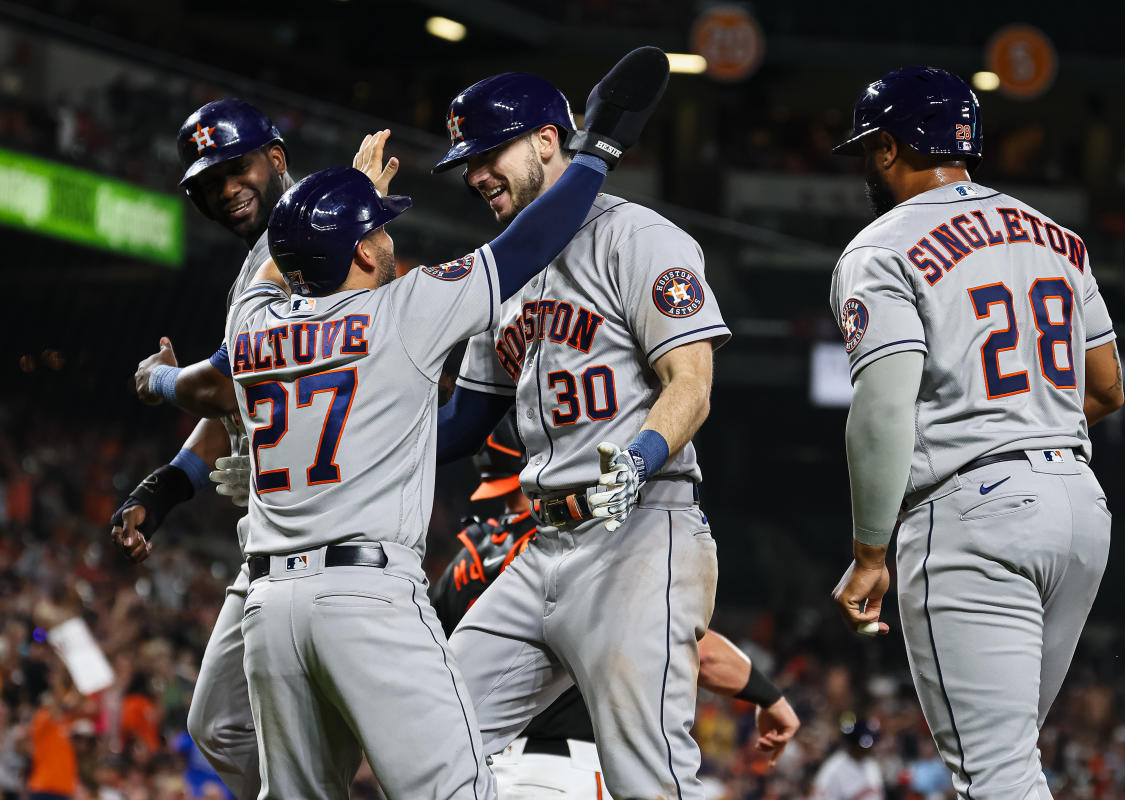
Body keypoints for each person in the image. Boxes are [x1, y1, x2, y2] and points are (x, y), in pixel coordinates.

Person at [223, 48, 669, 798]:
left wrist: (339, 198)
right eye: (381, 228)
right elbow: (527, 244)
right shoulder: (404, 309)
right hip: (365, 598)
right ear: (364, 249)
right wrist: (599, 149)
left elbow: (276, 264)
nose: (394, 238)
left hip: (268, 612)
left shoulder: (250, 327)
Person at [426, 68, 731, 800]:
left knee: (648, 779)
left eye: (487, 155)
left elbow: (691, 384)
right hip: (544, 545)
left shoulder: (639, 237)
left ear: (546, 140)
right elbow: (459, 428)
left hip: (642, 531)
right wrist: (336, 452)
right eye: (465, 163)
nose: (474, 176)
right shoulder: (505, 272)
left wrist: (639, 456)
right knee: (429, 737)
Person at [826, 67, 1124, 799]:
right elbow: (1108, 388)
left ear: (891, 147)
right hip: (1079, 508)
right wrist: (1024, 427)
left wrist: (870, 553)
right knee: (1007, 765)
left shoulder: (882, 246)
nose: (868, 165)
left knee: (995, 777)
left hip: (976, 513)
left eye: (871, 149)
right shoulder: (1057, 235)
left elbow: (883, 409)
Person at [430, 413, 799, 798]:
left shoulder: (463, 564)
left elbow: (434, 673)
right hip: (572, 775)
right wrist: (768, 696)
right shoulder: (573, 547)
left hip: (484, 771)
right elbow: (688, 651)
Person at [109, 97, 294, 799]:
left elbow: (219, 383)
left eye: (237, 168)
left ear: (275, 159)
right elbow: (237, 399)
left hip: (339, 530)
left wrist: (158, 378)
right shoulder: (256, 266)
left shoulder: (309, 237)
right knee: (220, 725)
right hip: (272, 539)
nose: (225, 190)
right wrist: (164, 488)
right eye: (209, 183)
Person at [810, 719, 884, 800]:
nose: (871, 748)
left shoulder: (871, 764)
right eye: (867, 744)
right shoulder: (833, 770)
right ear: (854, 745)